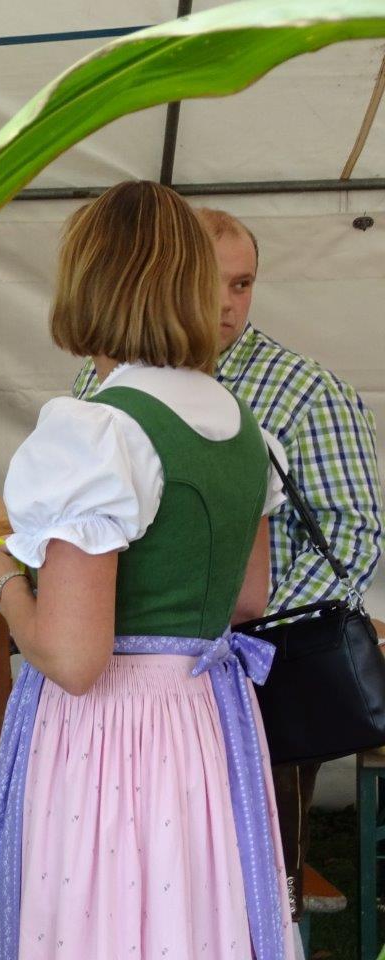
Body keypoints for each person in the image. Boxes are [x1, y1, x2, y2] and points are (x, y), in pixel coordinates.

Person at [0, 181, 295, 959]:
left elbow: (75, 660)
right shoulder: (243, 428)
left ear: (90, 282)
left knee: (103, 922)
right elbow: (248, 600)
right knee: (191, 920)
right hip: (206, 720)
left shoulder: (98, 430)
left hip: (113, 736)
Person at [71, 206, 382, 920]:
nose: (225, 303)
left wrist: (241, 634)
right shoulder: (101, 379)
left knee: (256, 873)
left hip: (259, 672)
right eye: (208, 282)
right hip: (126, 675)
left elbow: (352, 541)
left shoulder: (305, 391)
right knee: (143, 875)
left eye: (242, 284)